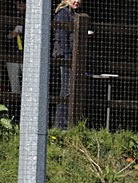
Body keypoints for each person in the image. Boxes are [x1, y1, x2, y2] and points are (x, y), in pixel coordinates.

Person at [52, 0, 81, 129]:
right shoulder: (63, 13)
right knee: (66, 90)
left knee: (69, 89)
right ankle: (61, 125)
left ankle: (66, 123)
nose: (77, 1)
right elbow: (61, 37)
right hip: (66, 57)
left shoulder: (73, 13)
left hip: (72, 57)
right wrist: (68, 56)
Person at [6, 0, 27, 94]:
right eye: (18, 2)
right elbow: (4, 36)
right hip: (12, 53)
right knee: (14, 84)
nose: (21, 4)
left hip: (26, 55)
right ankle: (15, 106)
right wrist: (12, 34)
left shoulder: (32, 17)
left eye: (23, 2)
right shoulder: (10, 17)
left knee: (28, 82)